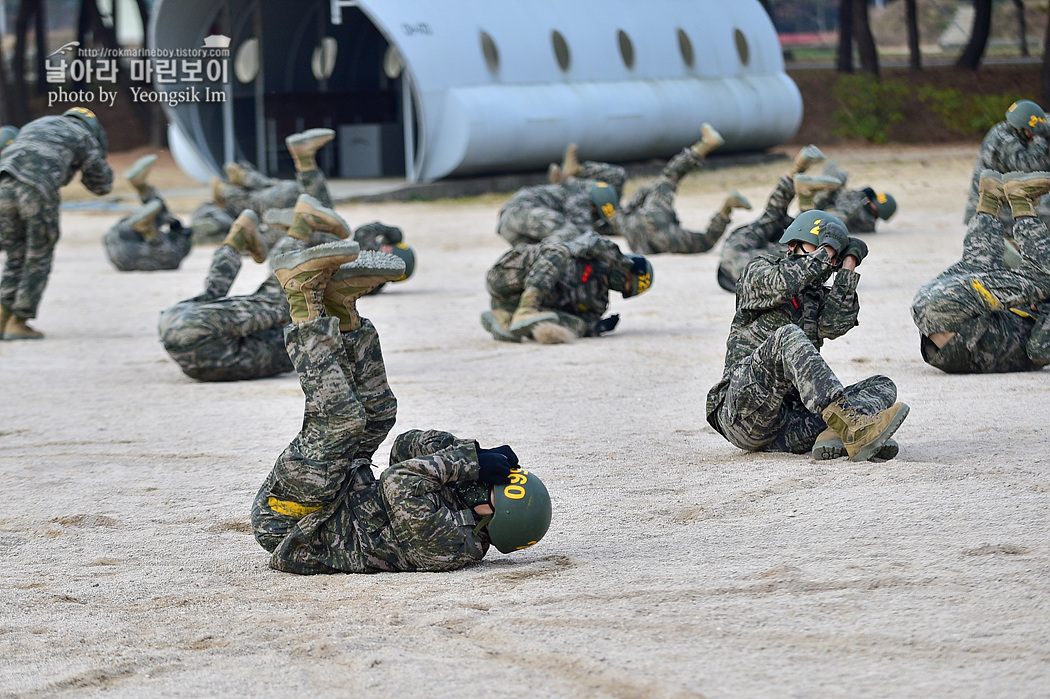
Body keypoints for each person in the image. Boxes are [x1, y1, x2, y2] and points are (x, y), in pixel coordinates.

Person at [251, 238, 551, 574]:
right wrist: (468, 451)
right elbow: (405, 447)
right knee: (379, 414)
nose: (486, 483)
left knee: (342, 422)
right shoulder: (458, 501)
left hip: (293, 519)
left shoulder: (451, 544)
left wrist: (468, 462)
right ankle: (341, 310)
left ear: (496, 519)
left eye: (496, 489)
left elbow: (398, 481)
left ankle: (300, 295)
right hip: (340, 491)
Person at [706, 209, 910, 462]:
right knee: (787, 335)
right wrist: (828, 251)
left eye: (833, 256)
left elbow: (837, 323)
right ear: (794, 245)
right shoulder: (758, 270)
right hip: (744, 412)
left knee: (881, 386)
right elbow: (784, 282)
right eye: (819, 247)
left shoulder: (813, 298)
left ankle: (833, 436)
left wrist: (848, 267)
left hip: (788, 425)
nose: (828, 261)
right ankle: (852, 428)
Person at [157, 194, 350, 381]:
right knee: (218, 293)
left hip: (196, 335)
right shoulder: (289, 350)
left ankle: (261, 234)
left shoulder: (286, 350)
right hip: (176, 326)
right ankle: (285, 228)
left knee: (276, 301)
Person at [911, 170, 1050, 373]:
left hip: (942, 310)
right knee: (1034, 278)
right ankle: (1016, 199)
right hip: (938, 309)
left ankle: (991, 200)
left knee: (979, 262)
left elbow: (1038, 350)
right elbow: (1038, 352)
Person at [0, 107, 113, 340]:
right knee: (38, 255)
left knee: (15, 253)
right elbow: (101, 184)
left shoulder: (37, 124)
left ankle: (2, 316)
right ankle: (19, 321)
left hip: (4, 184)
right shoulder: (84, 136)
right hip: (36, 188)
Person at [481, 230, 652, 343]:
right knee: (558, 251)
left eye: (627, 288)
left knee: (578, 325)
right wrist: (624, 261)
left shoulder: (598, 301)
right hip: (506, 276)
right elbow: (592, 241)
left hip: (510, 302)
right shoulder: (591, 254)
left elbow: (583, 323)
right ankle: (527, 309)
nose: (623, 284)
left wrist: (596, 327)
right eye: (628, 278)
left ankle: (504, 317)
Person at [715, 144, 833, 293]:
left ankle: (806, 198)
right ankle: (796, 169)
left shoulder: (749, 274)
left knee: (801, 250)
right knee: (771, 217)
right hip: (732, 247)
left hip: (743, 266)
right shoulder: (731, 257)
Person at [190, 128, 337, 245]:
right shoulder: (247, 197)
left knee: (323, 217)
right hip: (285, 193)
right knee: (322, 216)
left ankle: (305, 160)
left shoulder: (236, 204)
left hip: (278, 201)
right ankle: (303, 161)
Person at [496, 158, 626, 246]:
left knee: (538, 254)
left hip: (509, 223)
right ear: (594, 206)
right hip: (522, 214)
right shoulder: (581, 197)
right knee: (568, 234)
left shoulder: (576, 190)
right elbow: (584, 237)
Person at [963, 99, 1050, 225]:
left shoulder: (1023, 128)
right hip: (995, 210)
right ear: (1020, 128)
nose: (1032, 135)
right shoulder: (1002, 139)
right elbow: (1031, 166)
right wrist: (1041, 137)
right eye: (1030, 131)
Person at [103, 155, 193, 271]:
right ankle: (148, 229)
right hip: (124, 251)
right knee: (171, 258)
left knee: (160, 216)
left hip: (120, 238)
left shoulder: (166, 246)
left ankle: (142, 188)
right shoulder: (172, 254)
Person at [810, 160, 897, 234]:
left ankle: (823, 191)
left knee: (842, 211)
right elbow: (843, 197)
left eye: (874, 203)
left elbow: (844, 207)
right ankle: (825, 187)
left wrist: (860, 194)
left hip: (827, 217)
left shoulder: (867, 223)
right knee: (841, 176)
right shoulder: (862, 206)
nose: (870, 202)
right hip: (828, 207)